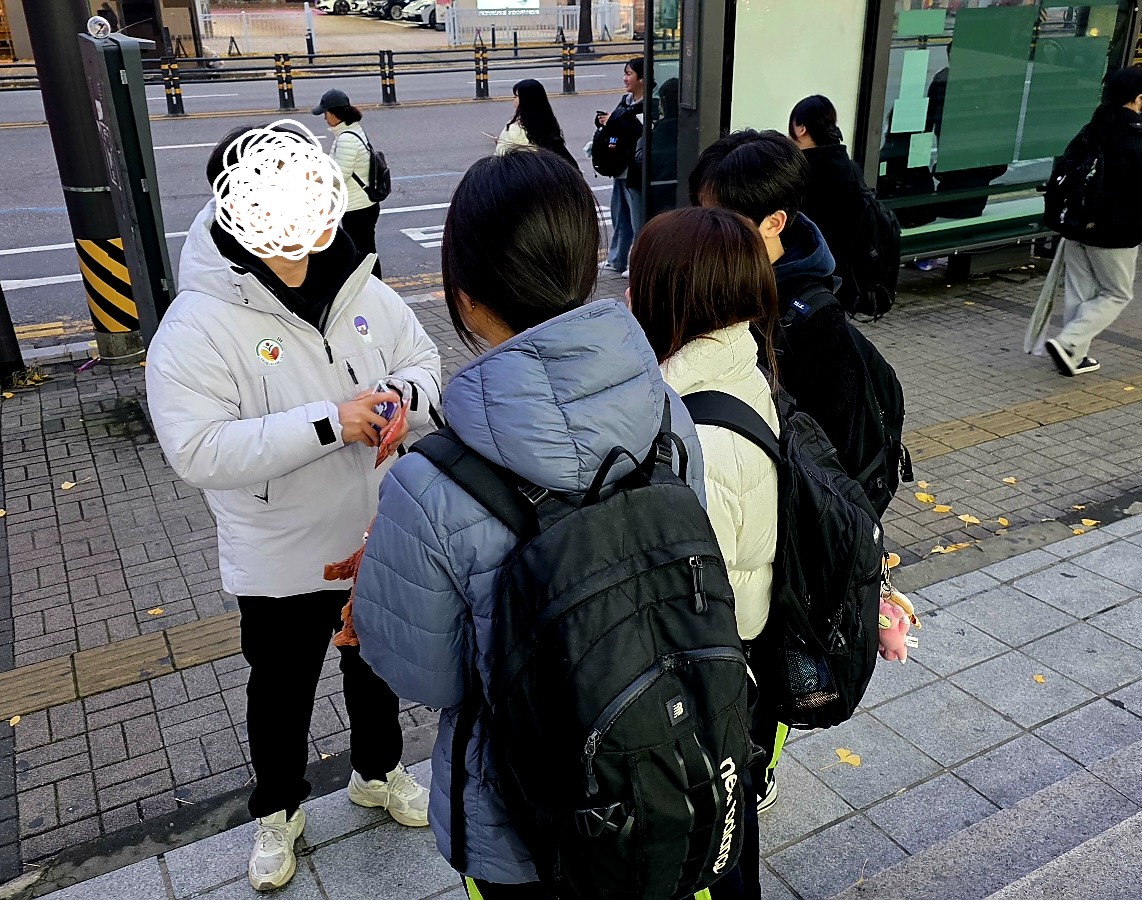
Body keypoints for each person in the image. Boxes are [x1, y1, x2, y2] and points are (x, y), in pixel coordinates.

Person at [349, 149, 707, 898]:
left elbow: (426, 675)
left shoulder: (429, 482)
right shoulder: (666, 413)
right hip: (665, 754)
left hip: (519, 812)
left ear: (466, 297)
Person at [145, 122, 441, 893]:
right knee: (281, 689)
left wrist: (402, 400)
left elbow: (422, 359)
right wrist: (330, 423)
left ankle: (378, 772)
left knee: (376, 666)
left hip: (376, 535)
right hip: (280, 555)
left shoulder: (359, 282)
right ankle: (277, 810)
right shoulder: (198, 323)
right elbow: (198, 449)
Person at [627, 206, 783, 900]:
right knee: (729, 818)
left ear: (675, 294)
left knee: (712, 836)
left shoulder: (700, 430)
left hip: (711, 675)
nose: (628, 293)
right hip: (728, 661)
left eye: (640, 280)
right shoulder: (736, 364)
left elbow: (699, 594)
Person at [689, 129, 873, 481]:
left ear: (774, 222)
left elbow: (833, 451)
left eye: (719, 218)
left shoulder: (816, 321)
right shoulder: (715, 279)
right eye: (699, 211)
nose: (701, 228)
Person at [1046, 65, 1142, 376]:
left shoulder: (1094, 127)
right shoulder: (1135, 137)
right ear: (1138, 99)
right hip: (1114, 232)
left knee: (1080, 291)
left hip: (1076, 224)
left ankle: (1074, 356)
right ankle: (1069, 342)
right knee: (1117, 293)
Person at [789, 95, 872, 303]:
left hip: (808, 275)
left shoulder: (799, 173)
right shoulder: (850, 168)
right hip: (847, 272)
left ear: (801, 129)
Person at [313, 89, 384, 279]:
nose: (325, 118)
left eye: (326, 113)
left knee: (363, 251)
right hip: (362, 204)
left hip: (358, 207)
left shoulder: (346, 138)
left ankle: (373, 284)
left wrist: (317, 181)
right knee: (364, 248)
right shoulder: (351, 131)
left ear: (335, 113)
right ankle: (371, 283)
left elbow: (340, 175)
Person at [598, 57, 647, 276]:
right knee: (620, 216)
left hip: (634, 170)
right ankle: (616, 259)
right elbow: (617, 126)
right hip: (619, 167)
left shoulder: (648, 104)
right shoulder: (626, 101)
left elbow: (640, 133)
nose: (625, 79)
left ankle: (636, 263)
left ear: (642, 78)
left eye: (629, 74)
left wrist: (614, 121)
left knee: (637, 219)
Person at [495, 78, 578, 170]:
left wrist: (504, 142)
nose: (514, 99)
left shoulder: (517, 129)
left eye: (516, 96)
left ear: (526, 99)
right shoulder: (545, 123)